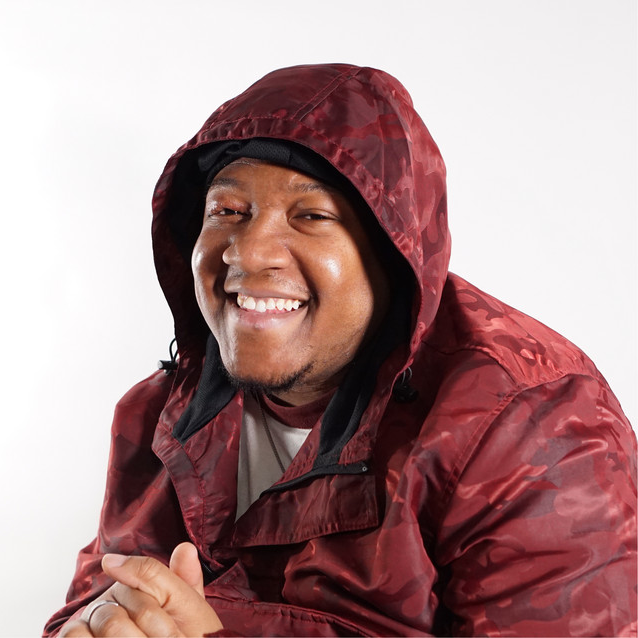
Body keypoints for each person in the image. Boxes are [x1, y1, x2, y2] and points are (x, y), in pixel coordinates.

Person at [46, 63, 637, 637]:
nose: (248, 253)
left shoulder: (532, 425)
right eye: (227, 211)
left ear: (395, 253)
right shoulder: (159, 414)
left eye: (310, 215)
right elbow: (86, 612)